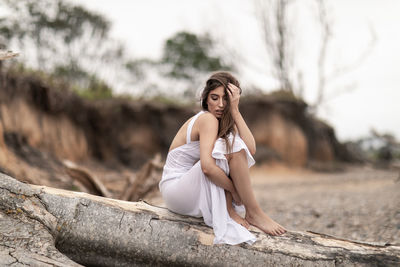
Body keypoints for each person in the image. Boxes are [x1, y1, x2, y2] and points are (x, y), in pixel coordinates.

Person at [159, 71, 286, 245]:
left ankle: (243, 211)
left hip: (181, 192)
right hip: (177, 188)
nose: (220, 104)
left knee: (232, 149)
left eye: (226, 99)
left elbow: (250, 148)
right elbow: (207, 168)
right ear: (205, 98)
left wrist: (235, 111)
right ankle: (253, 212)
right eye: (214, 98)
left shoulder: (222, 121)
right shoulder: (207, 119)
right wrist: (234, 190)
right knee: (224, 155)